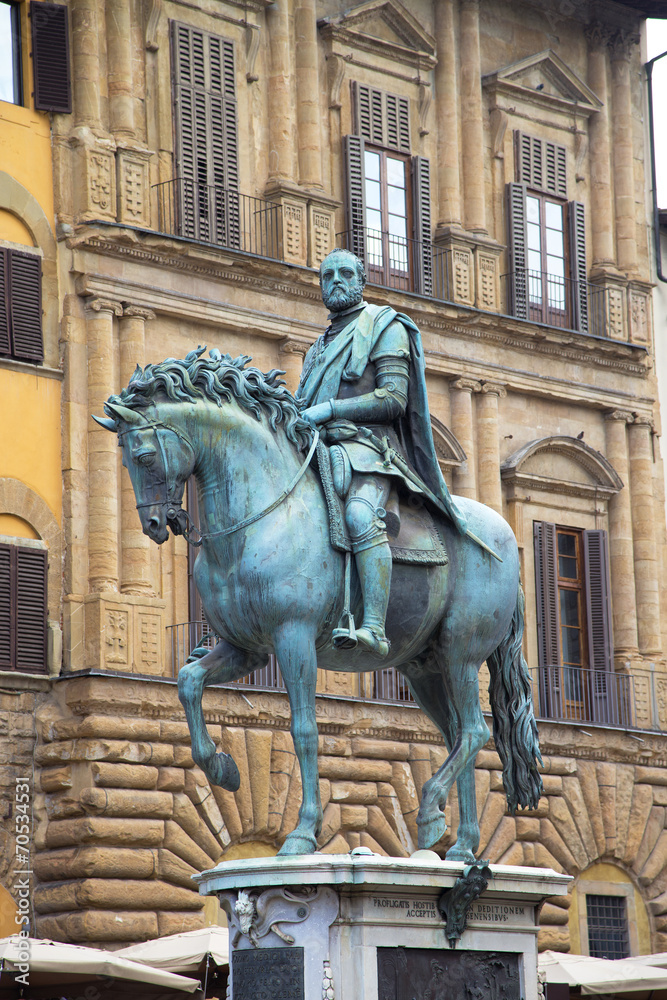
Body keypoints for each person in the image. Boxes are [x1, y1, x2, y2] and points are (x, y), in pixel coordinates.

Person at [296, 247, 467, 657]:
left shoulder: (384, 326)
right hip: (320, 448)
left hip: (368, 450)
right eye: (326, 276)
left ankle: (374, 624)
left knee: (358, 515)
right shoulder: (315, 348)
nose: (334, 281)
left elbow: (392, 398)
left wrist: (332, 409)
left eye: (343, 273)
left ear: (361, 280)